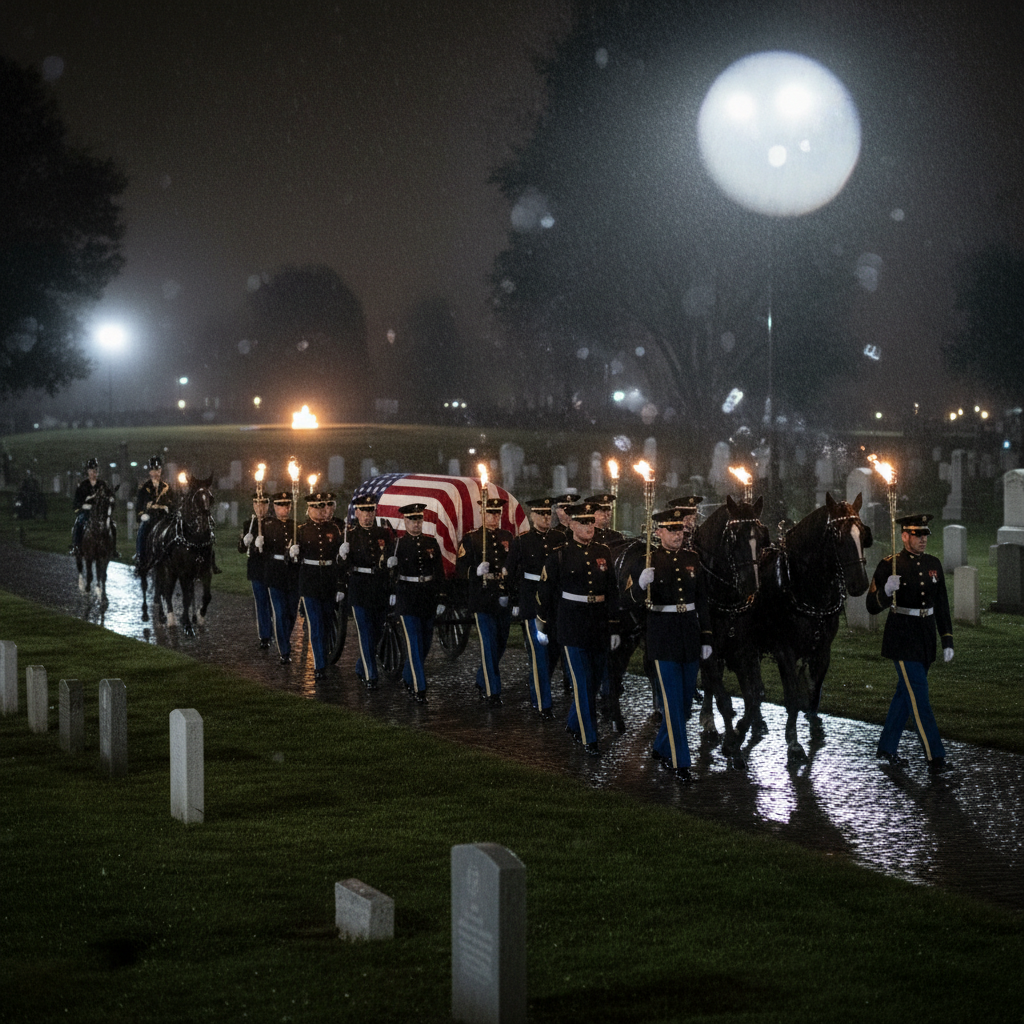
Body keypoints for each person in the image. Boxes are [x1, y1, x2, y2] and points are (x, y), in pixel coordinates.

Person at [627, 505, 713, 781]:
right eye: (672, 530)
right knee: (673, 703)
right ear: (658, 532)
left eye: (681, 529)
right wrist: (640, 584)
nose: (678, 534)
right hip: (662, 636)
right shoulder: (646, 559)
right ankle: (680, 762)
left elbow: (702, 601)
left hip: (688, 634)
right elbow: (627, 601)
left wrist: (707, 636)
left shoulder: (693, 559)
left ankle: (661, 746)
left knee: (685, 705)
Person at [866, 512, 955, 775]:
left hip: (925, 638)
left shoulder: (933, 564)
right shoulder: (889, 565)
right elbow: (871, 606)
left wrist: (946, 639)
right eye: (917, 535)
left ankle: (886, 748)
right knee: (919, 698)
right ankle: (935, 757)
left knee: (904, 696)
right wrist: (885, 591)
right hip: (902, 638)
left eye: (925, 534)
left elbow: (941, 604)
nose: (923, 539)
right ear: (904, 536)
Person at [536, 501, 620, 756]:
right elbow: (545, 592)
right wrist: (541, 624)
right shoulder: (559, 554)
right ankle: (589, 737)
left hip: (598, 626)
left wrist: (614, 626)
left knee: (593, 682)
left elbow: (612, 591)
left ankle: (574, 723)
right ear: (571, 524)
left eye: (591, 522)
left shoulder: (603, 551)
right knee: (582, 684)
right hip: (572, 626)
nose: (589, 527)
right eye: (583, 523)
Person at [503, 496, 566, 718]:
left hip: (556, 604)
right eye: (541, 514)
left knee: (552, 654)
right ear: (532, 516)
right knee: (539, 655)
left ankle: (540, 690)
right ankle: (542, 703)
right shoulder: (522, 542)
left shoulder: (560, 537)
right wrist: (515, 601)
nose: (546, 518)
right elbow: (509, 573)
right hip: (532, 603)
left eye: (548, 514)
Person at [457, 496, 514, 706]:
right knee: (489, 644)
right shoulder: (471, 539)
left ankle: (482, 679)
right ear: (483, 514)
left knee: (500, 644)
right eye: (491, 513)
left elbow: (512, 565)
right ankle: (492, 691)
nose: (495, 517)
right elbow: (460, 568)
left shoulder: (507, 536)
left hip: (502, 597)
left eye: (498, 513)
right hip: (482, 598)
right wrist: (475, 571)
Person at [388, 503, 445, 702]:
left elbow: (438, 572)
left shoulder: (431, 542)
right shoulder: (397, 544)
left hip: (427, 598)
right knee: (413, 643)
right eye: (413, 520)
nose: (417, 523)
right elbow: (387, 573)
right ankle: (419, 687)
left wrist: (441, 598)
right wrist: (390, 566)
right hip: (407, 598)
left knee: (425, 644)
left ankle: (408, 675)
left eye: (419, 519)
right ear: (405, 521)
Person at [289, 489, 344, 680]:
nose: (321, 511)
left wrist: (339, 584)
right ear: (309, 509)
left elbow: (339, 561)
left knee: (327, 623)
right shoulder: (301, 530)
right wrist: (292, 552)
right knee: (316, 624)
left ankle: (324, 657)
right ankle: (319, 665)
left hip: (328, 581)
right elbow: (292, 564)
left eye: (323, 508)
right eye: (316, 508)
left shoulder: (334, 530)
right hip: (310, 582)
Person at [340, 495, 392, 690]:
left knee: (377, 631)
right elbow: (342, 566)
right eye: (364, 511)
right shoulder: (350, 535)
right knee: (365, 632)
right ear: (357, 512)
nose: (368, 515)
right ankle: (372, 675)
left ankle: (361, 665)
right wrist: (341, 554)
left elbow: (389, 556)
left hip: (379, 587)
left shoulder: (383, 534)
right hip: (359, 587)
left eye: (371, 510)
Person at [263, 491, 300, 664]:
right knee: (280, 612)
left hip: (292, 574)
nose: (284, 508)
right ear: (275, 507)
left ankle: (284, 638)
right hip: (276, 573)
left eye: (286, 505)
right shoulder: (268, 525)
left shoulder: (296, 526)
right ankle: (284, 650)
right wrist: (257, 545)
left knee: (292, 613)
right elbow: (262, 551)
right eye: (280, 505)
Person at [238, 491, 273, 650]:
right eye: (257, 504)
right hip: (256, 569)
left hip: (272, 569)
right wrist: (245, 542)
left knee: (274, 604)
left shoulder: (274, 523)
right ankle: (265, 635)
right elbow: (240, 549)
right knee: (261, 603)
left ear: (268, 505)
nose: (261, 507)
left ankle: (275, 632)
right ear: (253, 505)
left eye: (264, 504)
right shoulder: (249, 524)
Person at [134, 455, 175, 575]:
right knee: (142, 531)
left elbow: (173, 504)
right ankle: (141, 559)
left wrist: (165, 507)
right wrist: (143, 513)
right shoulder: (144, 488)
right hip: (150, 518)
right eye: (153, 470)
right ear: (149, 471)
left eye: (158, 470)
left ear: (161, 470)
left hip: (163, 518)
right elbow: (139, 506)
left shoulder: (167, 488)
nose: (156, 473)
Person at [71, 457, 118, 556]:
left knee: (112, 525)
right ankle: (76, 546)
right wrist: (83, 506)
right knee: (79, 523)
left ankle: (113, 548)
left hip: (100, 512)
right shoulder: (83, 486)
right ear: (88, 472)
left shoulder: (102, 484)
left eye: (95, 470)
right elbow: (76, 503)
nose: (93, 473)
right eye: (91, 471)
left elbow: (109, 495)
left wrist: (111, 499)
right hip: (87, 512)